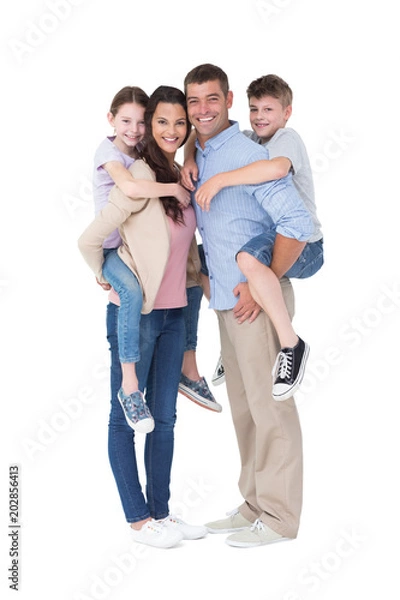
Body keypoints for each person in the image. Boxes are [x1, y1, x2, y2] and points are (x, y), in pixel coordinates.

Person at [184, 63, 312, 547]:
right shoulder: (201, 154)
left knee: (270, 409)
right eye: (194, 101)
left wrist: (266, 282)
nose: (202, 110)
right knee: (244, 409)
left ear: (229, 99)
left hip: (255, 303)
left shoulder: (245, 154)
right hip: (224, 303)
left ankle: (280, 519)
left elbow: (297, 223)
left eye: (211, 99)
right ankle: (255, 503)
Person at [78, 85, 207, 548]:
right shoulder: (136, 172)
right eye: (162, 122)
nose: (171, 131)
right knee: (123, 417)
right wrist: (103, 273)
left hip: (174, 313)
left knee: (165, 419)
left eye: (180, 123)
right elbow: (92, 237)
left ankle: (161, 513)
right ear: (147, 126)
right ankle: (138, 520)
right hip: (139, 315)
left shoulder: (178, 172)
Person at [182, 74, 323, 400]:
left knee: (245, 258)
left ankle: (292, 345)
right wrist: (189, 157)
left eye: (269, 110)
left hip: (305, 243)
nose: (260, 117)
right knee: (199, 261)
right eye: (255, 109)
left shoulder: (287, 139)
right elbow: (198, 133)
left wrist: (219, 180)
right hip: (276, 235)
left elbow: (274, 170)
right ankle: (229, 344)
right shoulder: (252, 140)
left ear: (287, 113)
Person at [89, 85, 195, 432]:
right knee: (132, 294)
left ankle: (189, 366)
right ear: (111, 119)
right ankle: (130, 385)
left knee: (192, 279)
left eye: (140, 123)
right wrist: (99, 269)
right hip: (109, 250)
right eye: (126, 121)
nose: (134, 130)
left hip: (130, 257)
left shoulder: (141, 159)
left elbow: (183, 139)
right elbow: (132, 190)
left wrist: (188, 159)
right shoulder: (110, 153)